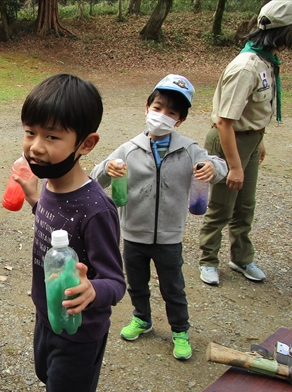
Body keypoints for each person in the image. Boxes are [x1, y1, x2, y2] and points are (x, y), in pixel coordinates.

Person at [15, 74, 126, 392]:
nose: (36, 147)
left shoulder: (96, 209)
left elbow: (115, 282)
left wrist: (92, 288)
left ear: (86, 144)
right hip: (48, 314)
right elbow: (56, 229)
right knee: (45, 373)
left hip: (79, 329)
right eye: (30, 132)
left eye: (51, 136)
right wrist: (33, 200)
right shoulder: (49, 184)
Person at [90, 74, 227, 360]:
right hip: (133, 233)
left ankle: (180, 330)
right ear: (147, 107)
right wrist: (110, 168)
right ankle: (142, 318)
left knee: (173, 286)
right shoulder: (128, 148)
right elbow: (95, 176)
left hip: (169, 236)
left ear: (180, 120)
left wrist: (213, 169)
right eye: (158, 107)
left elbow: (218, 165)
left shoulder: (188, 150)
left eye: (171, 112)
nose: (162, 115)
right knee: (136, 282)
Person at [198, 0, 292, 286]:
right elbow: (225, 122)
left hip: (248, 139)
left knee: (245, 205)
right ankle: (208, 260)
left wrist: (258, 139)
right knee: (222, 206)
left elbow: (253, 110)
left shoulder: (266, 61)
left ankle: (241, 257)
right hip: (228, 142)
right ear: (285, 31)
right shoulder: (246, 67)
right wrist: (234, 166)